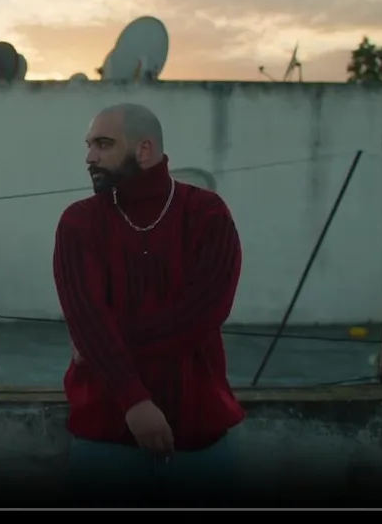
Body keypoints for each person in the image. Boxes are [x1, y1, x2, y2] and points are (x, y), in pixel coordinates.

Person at [53, 102, 245, 505]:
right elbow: (86, 317)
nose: (90, 157)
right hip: (104, 435)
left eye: (104, 144)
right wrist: (134, 401)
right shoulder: (79, 222)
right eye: (89, 145)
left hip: (198, 435)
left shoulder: (206, 214)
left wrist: (98, 345)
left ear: (144, 149)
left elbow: (205, 311)